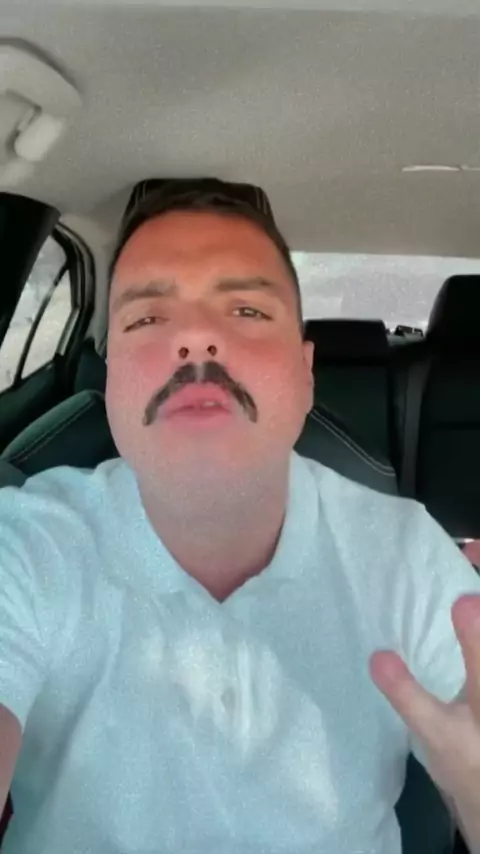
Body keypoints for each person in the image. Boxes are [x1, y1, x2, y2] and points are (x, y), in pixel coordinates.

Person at [1, 178, 480, 854]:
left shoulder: (406, 557)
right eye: (146, 318)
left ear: (306, 374)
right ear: (109, 382)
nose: (197, 337)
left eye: (248, 310)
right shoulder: (27, 545)